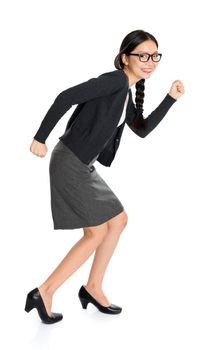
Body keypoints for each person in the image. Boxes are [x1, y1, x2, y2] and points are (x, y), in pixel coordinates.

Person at [25, 29, 185, 324]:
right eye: (142, 55)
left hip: (82, 164)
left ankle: (93, 288)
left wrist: (170, 99)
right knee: (96, 232)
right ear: (126, 58)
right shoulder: (113, 81)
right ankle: (44, 292)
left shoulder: (124, 91)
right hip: (69, 162)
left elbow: (142, 129)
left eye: (154, 56)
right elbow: (66, 97)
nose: (150, 61)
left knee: (118, 220)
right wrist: (40, 137)